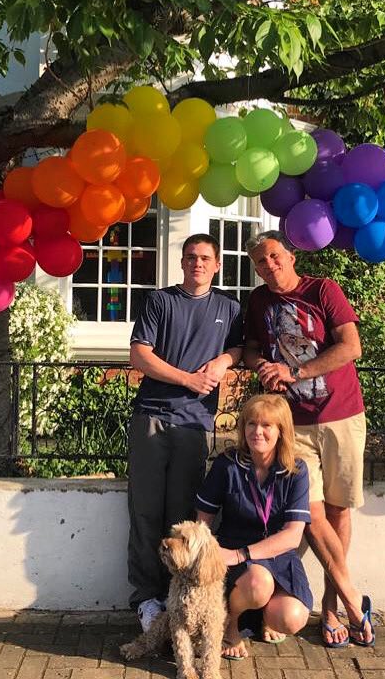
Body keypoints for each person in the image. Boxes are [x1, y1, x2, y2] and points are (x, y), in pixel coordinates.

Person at [243, 230, 375, 648]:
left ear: (291, 254)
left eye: (275, 256)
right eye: (261, 262)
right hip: (293, 424)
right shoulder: (259, 301)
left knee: (338, 509)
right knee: (310, 512)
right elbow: (248, 349)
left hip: (341, 415)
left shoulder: (323, 289)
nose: (270, 265)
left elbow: (351, 346)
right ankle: (356, 603)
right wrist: (262, 363)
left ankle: (332, 606)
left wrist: (295, 372)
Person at [128, 233, 243, 632]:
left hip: (195, 424)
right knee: (145, 512)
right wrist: (188, 380)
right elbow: (139, 355)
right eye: (191, 257)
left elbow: (244, 347)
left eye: (205, 258)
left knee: (183, 518)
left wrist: (225, 360)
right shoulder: (160, 301)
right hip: (152, 417)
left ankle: (176, 597)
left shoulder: (229, 307)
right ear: (182, 262)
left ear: (217, 265)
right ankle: (146, 599)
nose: (198, 263)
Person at [196, 394, 311, 660]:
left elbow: (293, 536)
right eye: (251, 424)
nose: (256, 432)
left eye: (266, 425)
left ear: (281, 432)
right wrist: (211, 558)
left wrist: (242, 554)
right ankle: (230, 623)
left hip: (276, 557)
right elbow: (203, 521)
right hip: (233, 557)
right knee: (259, 583)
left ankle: (265, 619)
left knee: (292, 619)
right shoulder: (227, 464)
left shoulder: (296, 470)